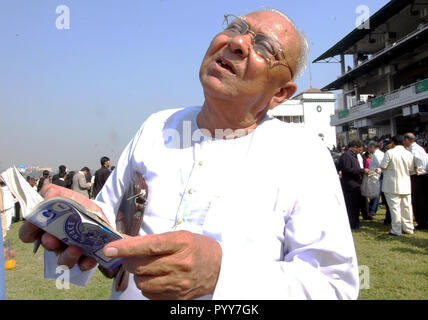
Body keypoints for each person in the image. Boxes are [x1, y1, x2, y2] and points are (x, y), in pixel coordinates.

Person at [19, 9, 359, 300]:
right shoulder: (157, 126)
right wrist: (77, 224)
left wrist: (221, 275)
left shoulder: (301, 153)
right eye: (236, 27)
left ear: (281, 93)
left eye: (265, 46)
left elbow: (333, 285)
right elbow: (112, 225)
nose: (238, 43)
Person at [381, 135, 415, 236]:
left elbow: (383, 166)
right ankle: (408, 228)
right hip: (405, 183)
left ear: (393, 142)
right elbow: (411, 168)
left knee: (395, 208)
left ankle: (396, 230)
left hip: (392, 184)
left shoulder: (390, 152)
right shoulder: (408, 153)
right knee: (407, 207)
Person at [338, 140, 370, 229]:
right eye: (359, 150)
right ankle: (353, 224)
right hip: (350, 184)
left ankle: (355, 223)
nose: (360, 152)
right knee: (351, 206)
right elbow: (347, 169)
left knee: (356, 205)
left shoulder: (353, 155)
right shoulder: (346, 156)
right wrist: (362, 170)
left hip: (355, 183)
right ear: (355, 147)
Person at [404, 133, 428, 230]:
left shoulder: (413, 150)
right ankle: (423, 221)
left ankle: (421, 222)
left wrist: (416, 167)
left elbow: (417, 160)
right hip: (422, 175)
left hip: (417, 176)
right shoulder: (420, 148)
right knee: (423, 200)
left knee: (418, 201)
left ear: (406, 140)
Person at [367, 141, 384, 217]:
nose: (369, 149)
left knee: (375, 194)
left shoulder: (377, 155)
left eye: (369, 147)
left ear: (373, 147)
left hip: (377, 176)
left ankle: (372, 210)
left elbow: (381, 166)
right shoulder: (378, 154)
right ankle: (372, 209)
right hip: (376, 175)